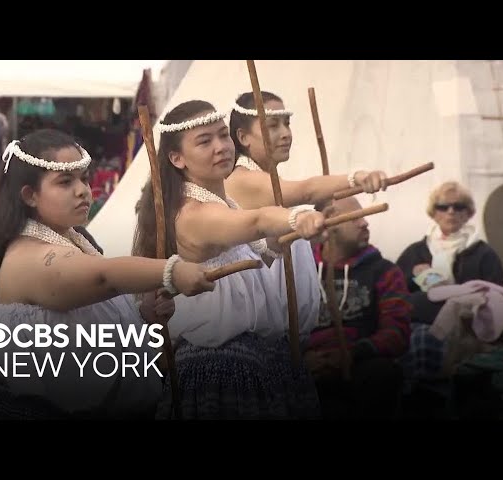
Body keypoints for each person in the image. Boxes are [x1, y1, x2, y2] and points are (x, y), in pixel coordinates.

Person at [0, 129, 215, 420]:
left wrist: (144, 317)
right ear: (30, 196)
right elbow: (104, 277)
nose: (83, 190)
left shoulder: (76, 242)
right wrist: (171, 271)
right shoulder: (27, 255)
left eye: (84, 178)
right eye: (65, 181)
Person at [133, 100, 328, 419]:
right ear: (176, 158)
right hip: (219, 368)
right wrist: (298, 215)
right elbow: (257, 222)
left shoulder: (228, 204)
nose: (221, 146)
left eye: (223, 136)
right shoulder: (190, 213)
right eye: (205, 141)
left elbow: (255, 263)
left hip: (264, 361)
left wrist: (294, 231)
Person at [226, 90, 389, 345]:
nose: (286, 133)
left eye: (287, 123)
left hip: (287, 341)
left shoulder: (272, 183)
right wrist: (356, 178)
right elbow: (307, 190)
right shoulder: (242, 180)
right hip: (254, 339)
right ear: (243, 137)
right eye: (273, 125)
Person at [305, 196, 411, 419]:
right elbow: (278, 327)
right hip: (307, 365)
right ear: (329, 223)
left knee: (382, 374)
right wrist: (301, 359)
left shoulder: (385, 271)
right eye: (356, 218)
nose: (365, 223)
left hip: (361, 364)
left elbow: (397, 332)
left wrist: (351, 354)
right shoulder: (299, 270)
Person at [397, 181, 503, 324]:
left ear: (468, 213)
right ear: (433, 213)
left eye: (458, 206)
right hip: (423, 326)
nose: (451, 211)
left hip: (471, 329)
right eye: (443, 207)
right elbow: (395, 295)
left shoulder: (484, 253)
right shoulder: (415, 252)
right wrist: (414, 275)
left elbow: (498, 299)